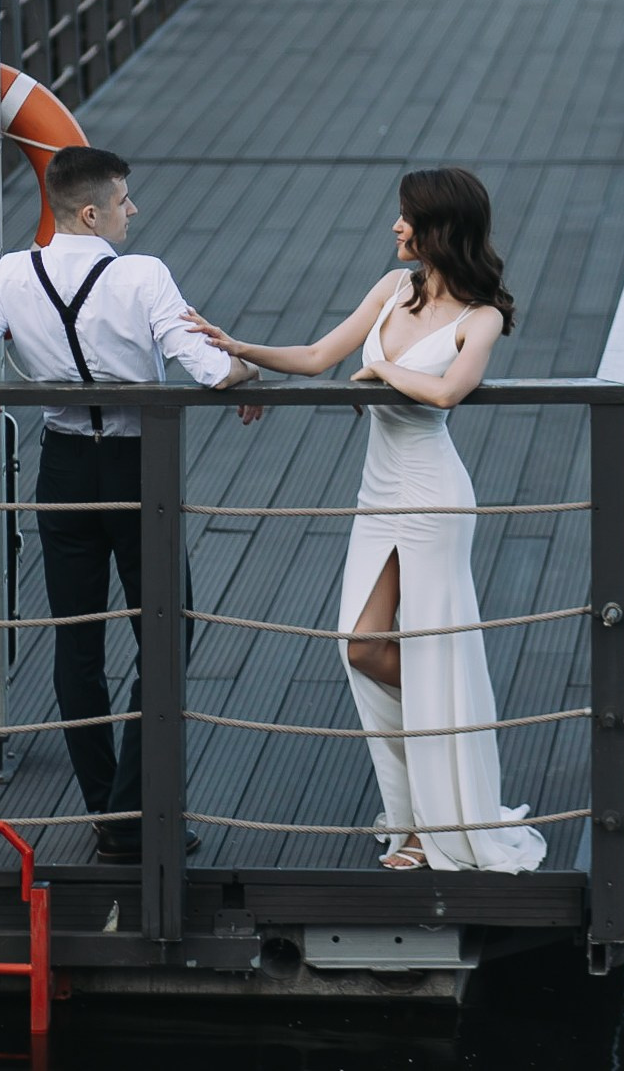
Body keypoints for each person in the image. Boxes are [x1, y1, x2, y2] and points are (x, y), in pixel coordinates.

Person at [185, 169, 546, 874]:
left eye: (407, 217)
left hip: (435, 495)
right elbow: (321, 357)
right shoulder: (391, 288)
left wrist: (381, 376)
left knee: (386, 649)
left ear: (438, 226)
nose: (396, 227)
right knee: (359, 648)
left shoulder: (483, 317)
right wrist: (238, 347)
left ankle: (423, 830)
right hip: (377, 491)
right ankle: (433, 764)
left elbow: (446, 393)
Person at [0, 146, 262, 864]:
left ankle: (107, 809)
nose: (132, 210)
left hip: (64, 467)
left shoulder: (14, 274)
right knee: (166, 639)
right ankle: (132, 812)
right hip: (140, 469)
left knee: (77, 643)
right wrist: (247, 368)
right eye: (123, 199)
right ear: (91, 212)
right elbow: (209, 371)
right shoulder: (142, 277)